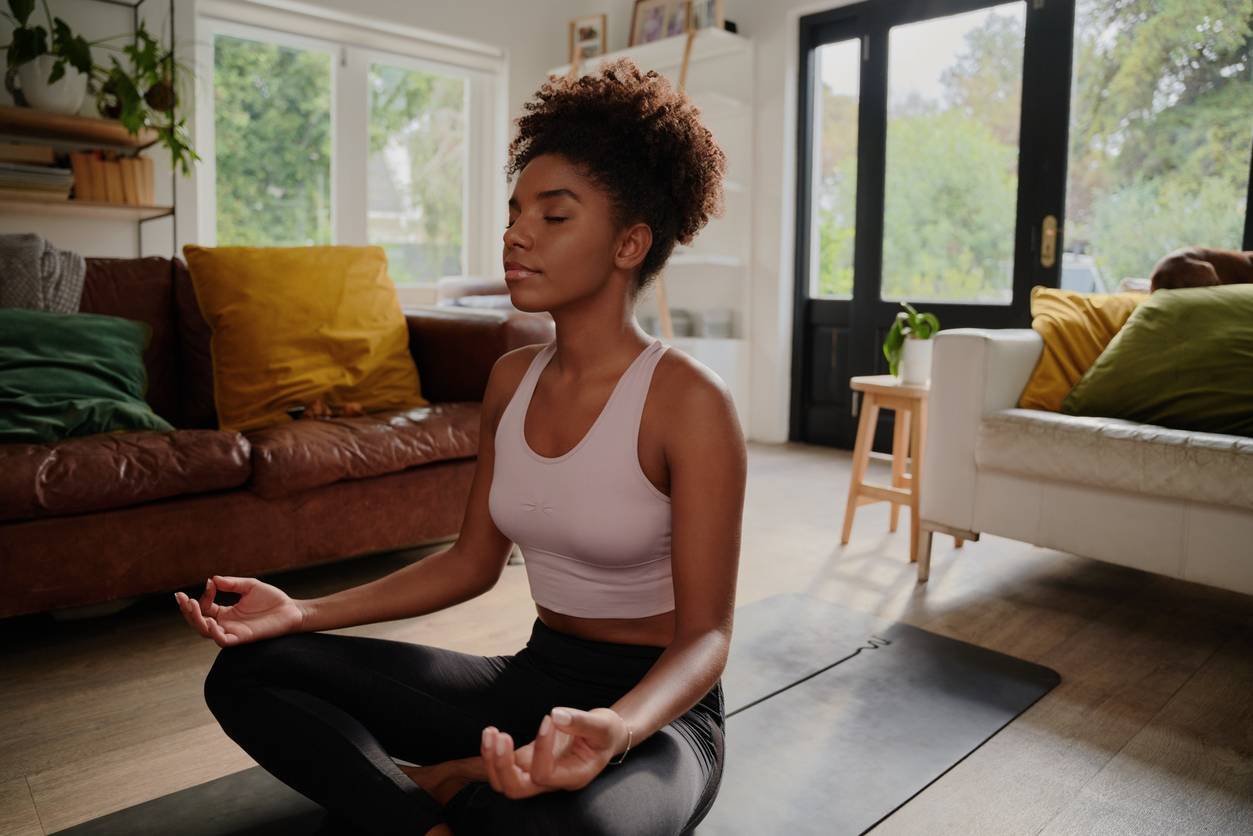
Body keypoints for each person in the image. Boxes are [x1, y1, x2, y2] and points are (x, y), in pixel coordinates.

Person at [174, 56, 747, 836]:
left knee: (589, 833)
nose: (515, 234)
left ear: (628, 243)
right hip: (534, 678)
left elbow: (707, 637)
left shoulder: (690, 401)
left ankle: (458, 787)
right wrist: (302, 610)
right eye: (515, 211)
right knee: (249, 672)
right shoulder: (510, 380)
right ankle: (435, 810)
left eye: (553, 215)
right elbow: (469, 563)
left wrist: (618, 726)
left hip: (660, 717)